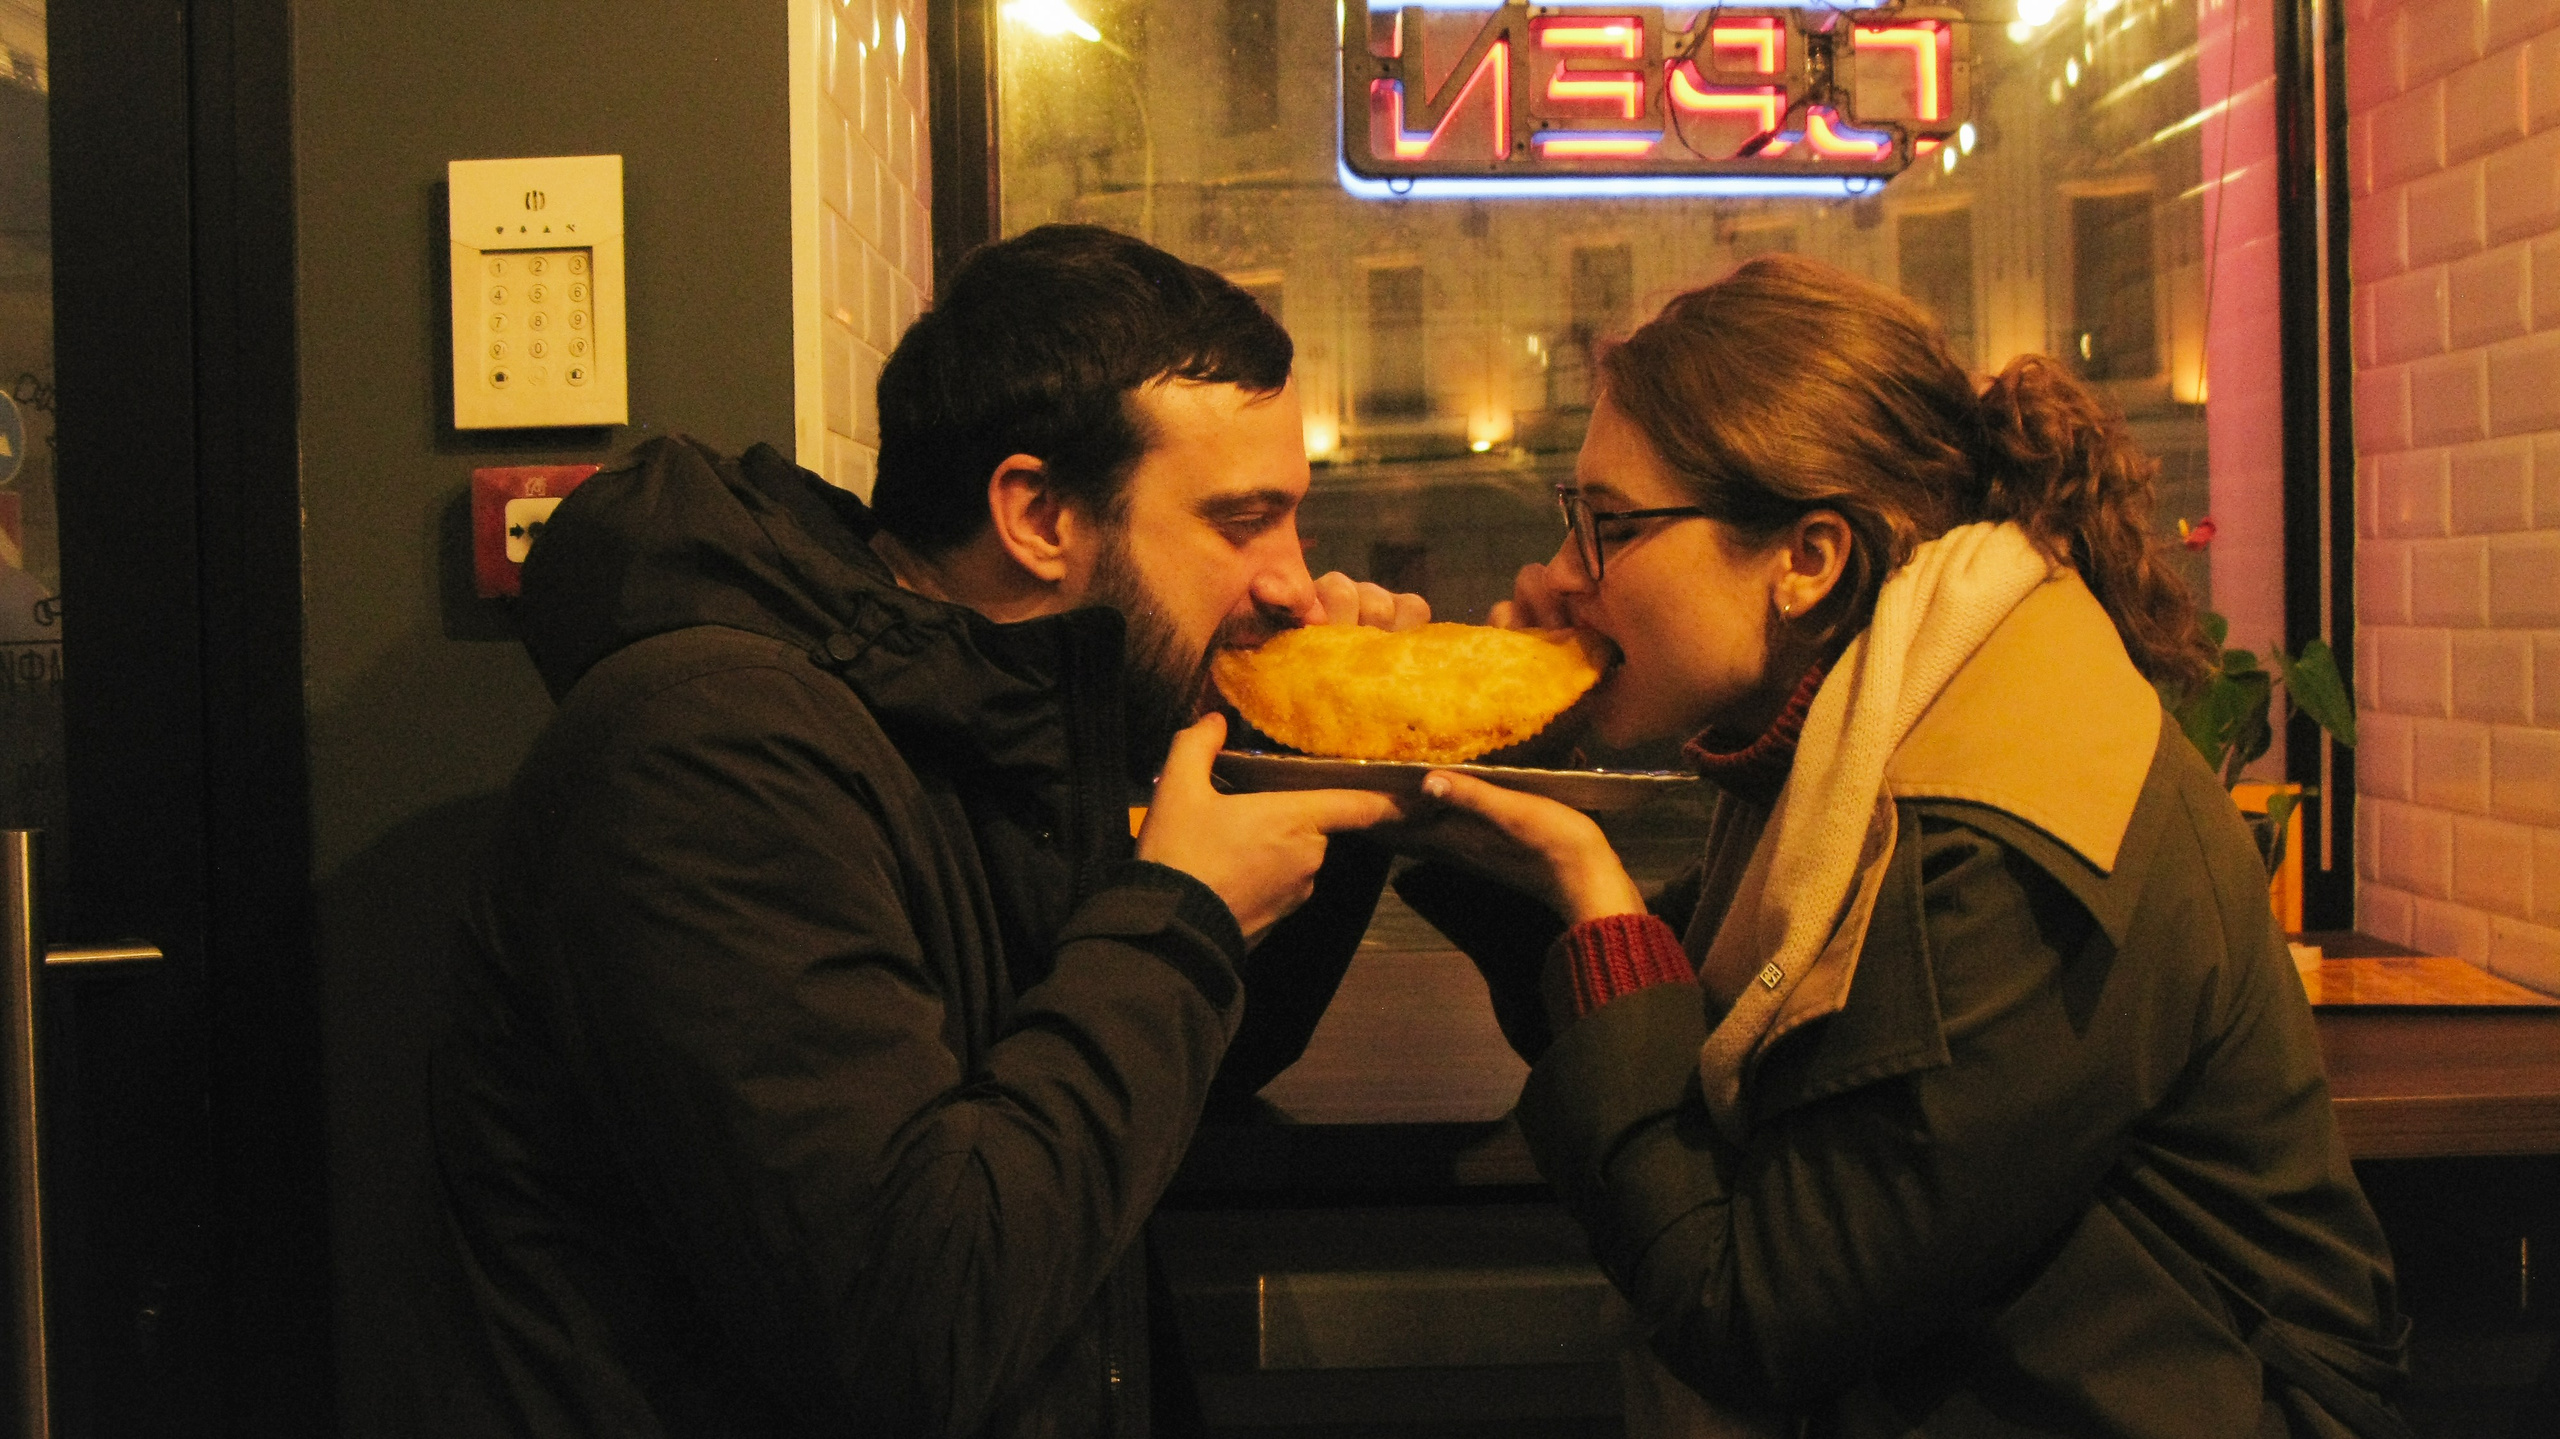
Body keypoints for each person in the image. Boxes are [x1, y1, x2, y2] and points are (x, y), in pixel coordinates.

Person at [1390, 255, 2412, 1438]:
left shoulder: (1997, 829)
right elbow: (1662, 1033)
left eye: (1606, 527)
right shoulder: (1856, 738)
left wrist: (1589, 889)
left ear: (1807, 559)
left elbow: (1752, 1309)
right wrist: (1422, 742)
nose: (1553, 577)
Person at [431, 224, 1422, 1437]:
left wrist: (1337, 762)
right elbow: (914, 1325)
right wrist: (1179, 920)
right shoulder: (711, 756)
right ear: (1040, 512)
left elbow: (1182, 1076)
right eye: (1241, 521)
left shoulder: (985, 719)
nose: (1290, 578)